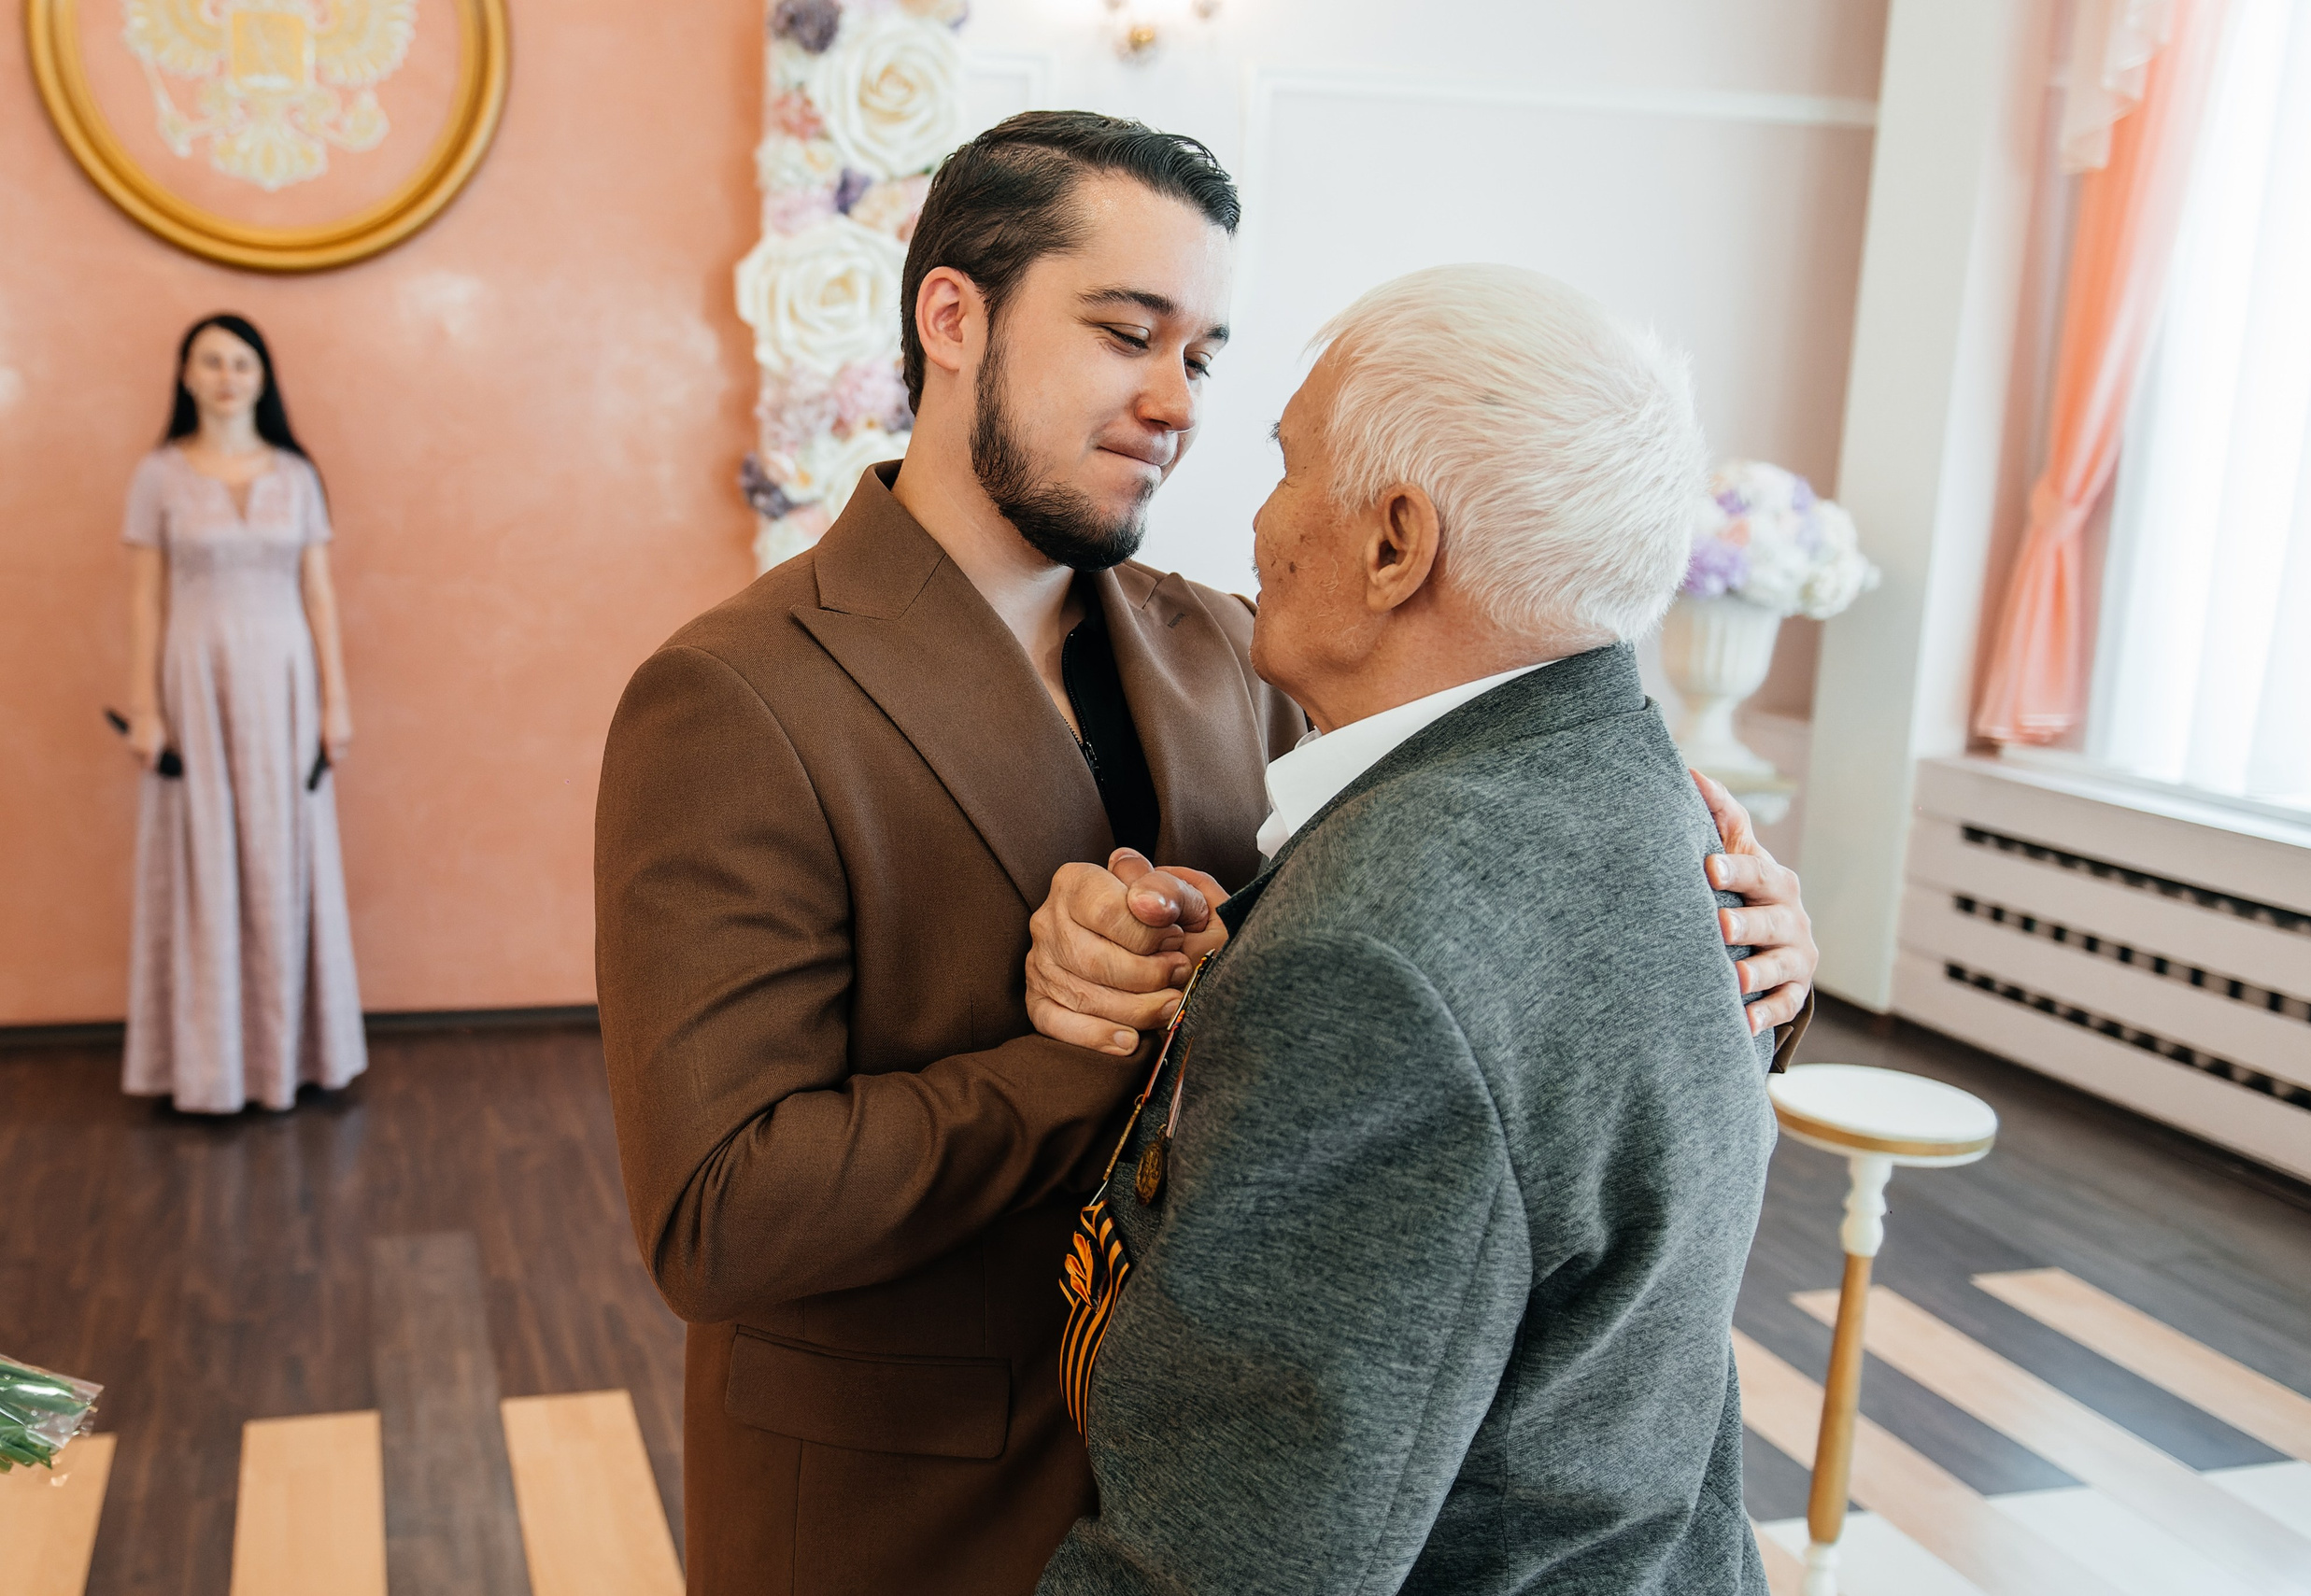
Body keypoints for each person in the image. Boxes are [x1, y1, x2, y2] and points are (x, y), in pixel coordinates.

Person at [594, 113, 1814, 1596]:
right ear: (952, 318)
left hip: (1255, 1485)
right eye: (1128, 334)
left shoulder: (1240, 644)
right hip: (908, 1508)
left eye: (1204, 356)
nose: (1176, 402)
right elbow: (717, 1216)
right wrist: (1096, 1056)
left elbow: (1468, 925)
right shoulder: (733, 694)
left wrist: (1742, 952)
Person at [1032, 266, 1783, 1595]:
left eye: (1287, 467)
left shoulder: (1371, 958)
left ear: (1395, 543)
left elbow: (1231, 1566)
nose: (1259, 520)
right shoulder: (1641, 784)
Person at [120, 314, 366, 1114]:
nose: (227, 376)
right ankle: (208, 1067)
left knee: (285, 857)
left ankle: (295, 1056)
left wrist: (334, 700)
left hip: (285, 689)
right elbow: (145, 600)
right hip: (193, 685)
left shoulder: (296, 475)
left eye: (242, 363)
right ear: (186, 374)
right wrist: (144, 707)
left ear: (262, 378)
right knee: (202, 862)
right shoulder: (157, 474)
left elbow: (319, 595)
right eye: (212, 361)